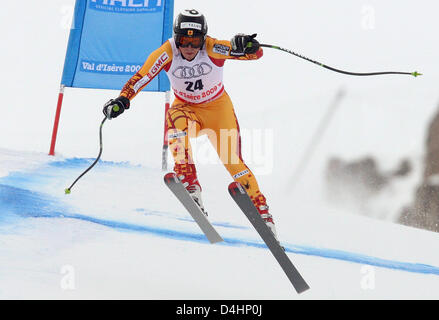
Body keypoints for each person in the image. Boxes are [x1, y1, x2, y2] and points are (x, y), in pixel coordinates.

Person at [103, 9, 277, 239]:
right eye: (184, 40)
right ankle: (189, 181)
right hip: (188, 109)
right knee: (173, 117)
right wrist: (122, 100)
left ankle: (263, 214)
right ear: (176, 37)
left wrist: (248, 45)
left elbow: (254, 55)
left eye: (195, 41)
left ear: (203, 38)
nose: (189, 47)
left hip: (218, 110)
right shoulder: (166, 52)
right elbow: (141, 77)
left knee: (233, 162)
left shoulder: (213, 47)